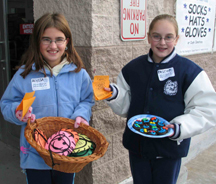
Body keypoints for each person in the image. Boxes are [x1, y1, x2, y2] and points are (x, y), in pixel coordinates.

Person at [104, 14, 216, 184]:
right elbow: (127, 108)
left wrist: (180, 128)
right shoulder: (133, 68)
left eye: (168, 37)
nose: (162, 42)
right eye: (156, 36)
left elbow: (207, 110)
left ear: (177, 39)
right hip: (138, 148)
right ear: (149, 37)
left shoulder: (190, 72)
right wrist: (115, 95)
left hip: (168, 150)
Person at [0, 13, 94, 184]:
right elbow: (6, 103)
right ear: (37, 42)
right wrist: (17, 112)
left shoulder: (79, 74)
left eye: (59, 39)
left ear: (67, 42)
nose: (53, 45)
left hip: (67, 153)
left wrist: (81, 115)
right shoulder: (24, 75)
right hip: (35, 155)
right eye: (46, 39)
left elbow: (87, 100)